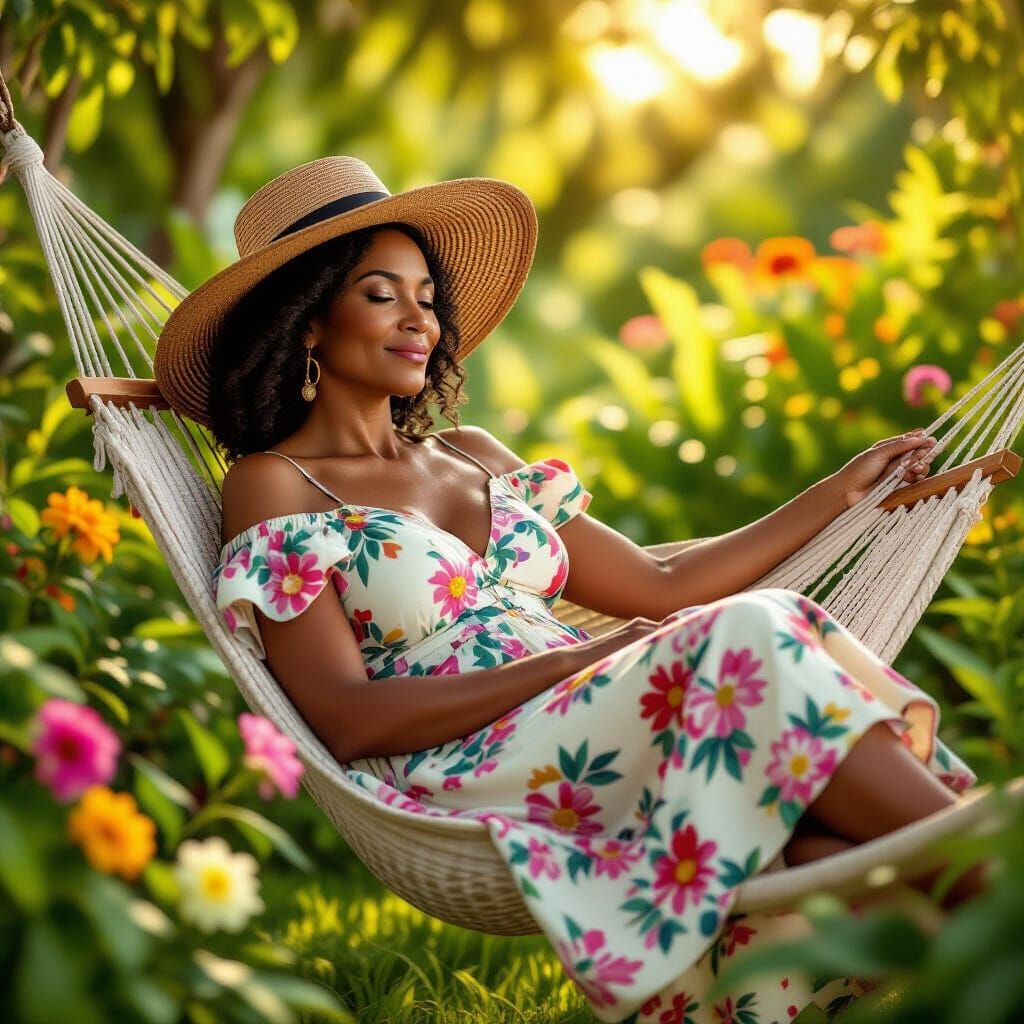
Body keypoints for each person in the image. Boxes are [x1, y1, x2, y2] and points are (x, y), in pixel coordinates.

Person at [154, 156, 980, 1024]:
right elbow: (346, 717)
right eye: (381, 294)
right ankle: (995, 873)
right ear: (310, 323)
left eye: (428, 297)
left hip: (603, 709)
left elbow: (663, 583)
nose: (419, 320)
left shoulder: (474, 453)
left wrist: (837, 494)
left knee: (817, 837)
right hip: (472, 759)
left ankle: (982, 924)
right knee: (754, 634)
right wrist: (573, 663)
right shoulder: (275, 484)